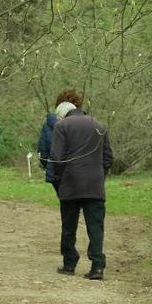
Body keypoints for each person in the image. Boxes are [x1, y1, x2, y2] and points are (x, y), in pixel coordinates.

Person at [51, 98, 113, 279]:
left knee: (69, 225)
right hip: (94, 185)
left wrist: (59, 178)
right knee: (95, 227)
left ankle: (69, 263)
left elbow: (57, 156)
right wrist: (99, 174)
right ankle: (97, 267)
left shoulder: (62, 126)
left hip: (70, 184)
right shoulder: (99, 125)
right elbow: (108, 156)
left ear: (61, 115)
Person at [37, 90, 83, 195]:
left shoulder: (48, 125)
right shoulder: (84, 124)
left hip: (56, 175)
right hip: (80, 173)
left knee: (66, 205)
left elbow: (43, 152)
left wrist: (49, 167)